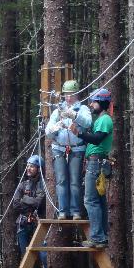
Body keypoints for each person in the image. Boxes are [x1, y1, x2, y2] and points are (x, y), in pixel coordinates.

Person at [71, 88, 113, 248]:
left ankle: (97, 237)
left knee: (90, 200)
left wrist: (79, 134)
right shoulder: (102, 120)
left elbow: (96, 139)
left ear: (101, 102)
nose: (91, 104)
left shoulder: (104, 120)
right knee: (99, 201)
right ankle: (101, 235)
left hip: (95, 164)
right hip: (98, 163)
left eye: (94, 102)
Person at [45, 80, 92, 220]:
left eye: (71, 94)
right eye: (66, 95)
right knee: (61, 180)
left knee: (75, 181)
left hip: (77, 148)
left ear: (77, 94)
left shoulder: (82, 109)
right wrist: (56, 127)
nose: (68, 97)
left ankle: (75, 211)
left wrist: (73, 115)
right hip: (59, 149)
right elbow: (48, 131)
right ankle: (63, 211)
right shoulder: (58, 111)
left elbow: (88, 122)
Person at [13, 155, 46, 268]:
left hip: (38, 224)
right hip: (23, 224)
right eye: (28, 166)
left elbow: (39, 202)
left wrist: (25, 200)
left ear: (38, 169)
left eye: (32, 166)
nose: (28, 168)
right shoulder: (22, 185)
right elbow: (15, 204)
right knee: (27, 257)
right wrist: (29, 203)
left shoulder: (43, 184)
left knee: (43, 255)